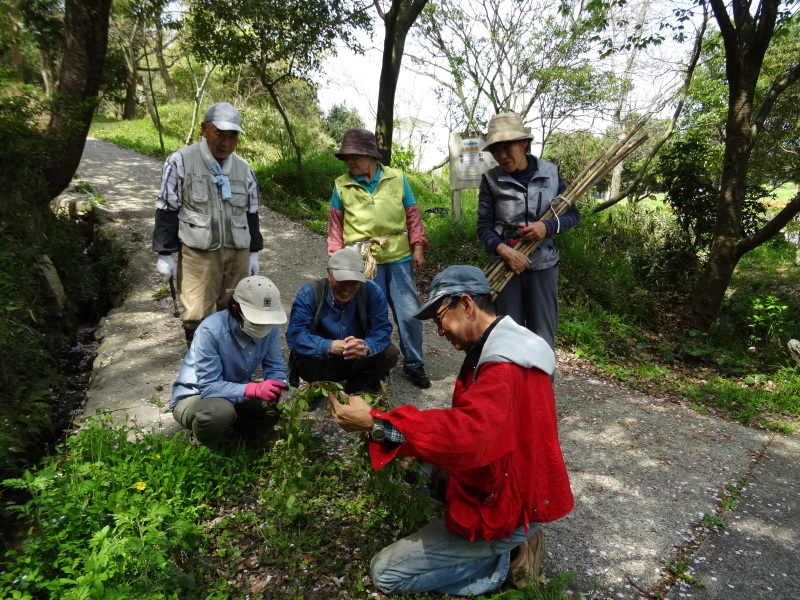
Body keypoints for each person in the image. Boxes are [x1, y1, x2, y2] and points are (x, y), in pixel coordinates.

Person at [327, 265, 574, 596]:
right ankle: (516, 538)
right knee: (410, 460)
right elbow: (475, 428)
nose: (439, 331)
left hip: (504, 506)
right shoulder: (512, 347)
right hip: (511, 481)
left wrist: (378, 422)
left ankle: (505, 558)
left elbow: (469, 436)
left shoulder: (503, 369)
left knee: (385, 573)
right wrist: (392, 433)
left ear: (467, 305)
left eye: (439, 317)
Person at [327, 127, 432, 389]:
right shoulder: (342, 185)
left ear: (372, 155)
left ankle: (414, 364)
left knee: (408, 313)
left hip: (398, 255)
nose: (350, 161)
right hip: (359, 259)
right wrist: (335, 263)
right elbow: (335, 228)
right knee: (367, 315)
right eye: (346, 156)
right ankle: (374, 363)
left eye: (356, 155)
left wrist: (418, 246)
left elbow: (412, 214)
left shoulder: (397, 178)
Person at [152, 102, 264, 345]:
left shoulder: (244, 170)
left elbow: (251, 212)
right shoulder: (180, 161)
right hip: (197, 250)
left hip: (238, 251)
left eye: (232, 136)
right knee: (196, 311)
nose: (225, 143)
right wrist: (165, 253)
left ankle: (229, 362)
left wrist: (254, 251)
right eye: (219, 134)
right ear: (204, 129)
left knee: (235, 306)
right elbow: (167, 207)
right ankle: (199, 364)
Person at [477, 112, 580, 352]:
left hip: (543, 263)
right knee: (508, 334)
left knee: (542, 337)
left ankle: (542, 389)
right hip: (504, 266)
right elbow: (483, 226)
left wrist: (548, 226)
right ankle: (513, 388)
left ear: (524, 143)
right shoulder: (491, 180)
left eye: (507, 147)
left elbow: (573, 215)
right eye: (495, 149)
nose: (502, 155)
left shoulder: (551, 174)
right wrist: (505, 252)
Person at [170, 276, 289, 450]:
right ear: (235, 308)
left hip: (236, 391)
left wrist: (279, 387)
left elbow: (275, 365)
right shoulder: (211, 330)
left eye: (267, 321)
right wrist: (254, 389)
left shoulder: (270, 327)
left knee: (279, 401)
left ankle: (246, 439)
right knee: (220, 412)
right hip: (197, 396)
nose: (263, 326)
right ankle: (201, 444)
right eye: (256, 320)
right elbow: (209, 387)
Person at [285, 248, 399, 395]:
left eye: (355, 282)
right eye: (342, 279)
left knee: (390, 353)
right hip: (322, 358)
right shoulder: (310, 293)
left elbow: (382, 328)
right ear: (328, 273)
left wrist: (366, 346)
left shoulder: (371, 291)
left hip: (356, 356)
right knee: (305, 356)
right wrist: (329, 346)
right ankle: (320, 388)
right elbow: (295, 335)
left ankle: (355, 386)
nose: (347, 286)